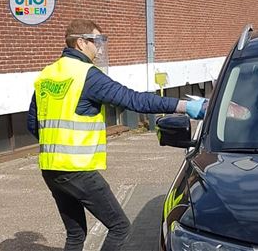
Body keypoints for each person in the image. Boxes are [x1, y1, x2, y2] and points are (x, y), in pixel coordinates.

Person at [26, 19, 206, 251]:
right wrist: (184, 106)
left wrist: (57, 144)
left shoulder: (47, 75)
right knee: (120, 227)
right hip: (77, 169)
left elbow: (33, 124)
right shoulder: (86, 75)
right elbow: (133, 99)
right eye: (96, 42)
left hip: (51, 169)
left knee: (75, 234)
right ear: (80, 43)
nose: (99, 49)